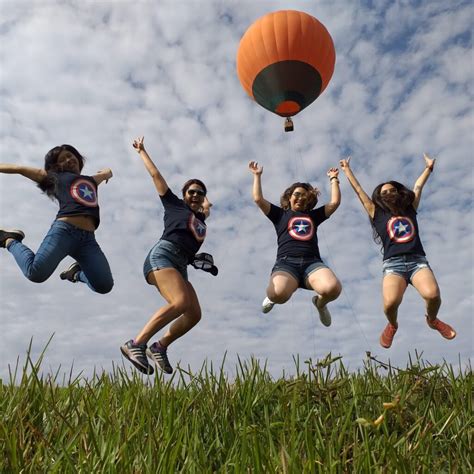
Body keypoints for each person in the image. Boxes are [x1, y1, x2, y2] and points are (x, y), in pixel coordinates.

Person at [339, 154, 456, 348]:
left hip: (418, 261)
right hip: (393, 265)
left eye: (392, 190)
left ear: (398, 193)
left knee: (433, 295)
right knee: (390, 304)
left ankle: (433, 320)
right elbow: (359, 191)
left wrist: (428, 168)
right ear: (379, 197)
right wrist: (346, 170)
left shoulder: (410, 209)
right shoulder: (376, 213)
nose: (389, 193)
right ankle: (393, 325)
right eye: (384, 192)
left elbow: (417, 187)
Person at [120, 136, 214, 375]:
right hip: (163, 256)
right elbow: (156, 176)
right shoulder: (174, 205)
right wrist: (142, 151)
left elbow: (207, 206)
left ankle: (159, 347)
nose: (195, 195)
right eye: (191, 191)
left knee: (194, 314)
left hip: (181, 264)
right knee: (180, 303)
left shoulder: (201, 218)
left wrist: (205, 200)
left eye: (200, 193)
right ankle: (136, 344)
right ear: (184, 195)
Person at [0, 145, 114, 294]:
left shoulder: (90, 180)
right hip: (64, 232)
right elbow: (18, 168)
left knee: (104, 286)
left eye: (70, 155)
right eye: (62, 159)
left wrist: (107, 173)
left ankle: (75, 274)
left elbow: (106, 173)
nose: (68, 159)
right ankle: (9, 239)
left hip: (88, 241)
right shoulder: (54, 177)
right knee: (35, 273)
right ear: (55, 166)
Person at [248, 160, 342, 326]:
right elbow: (258, 199)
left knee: (332, 289)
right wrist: (257, 175)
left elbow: (334, 203)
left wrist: (334, 179)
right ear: (289, 198)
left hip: (312, 263)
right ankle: (272, 298)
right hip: (286, 263)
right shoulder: (280, 215)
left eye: (304, 194)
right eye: (296, 194)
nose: (300, 197)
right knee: (278, 294)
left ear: (309, 199)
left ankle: (320, 304)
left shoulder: (313, 216)